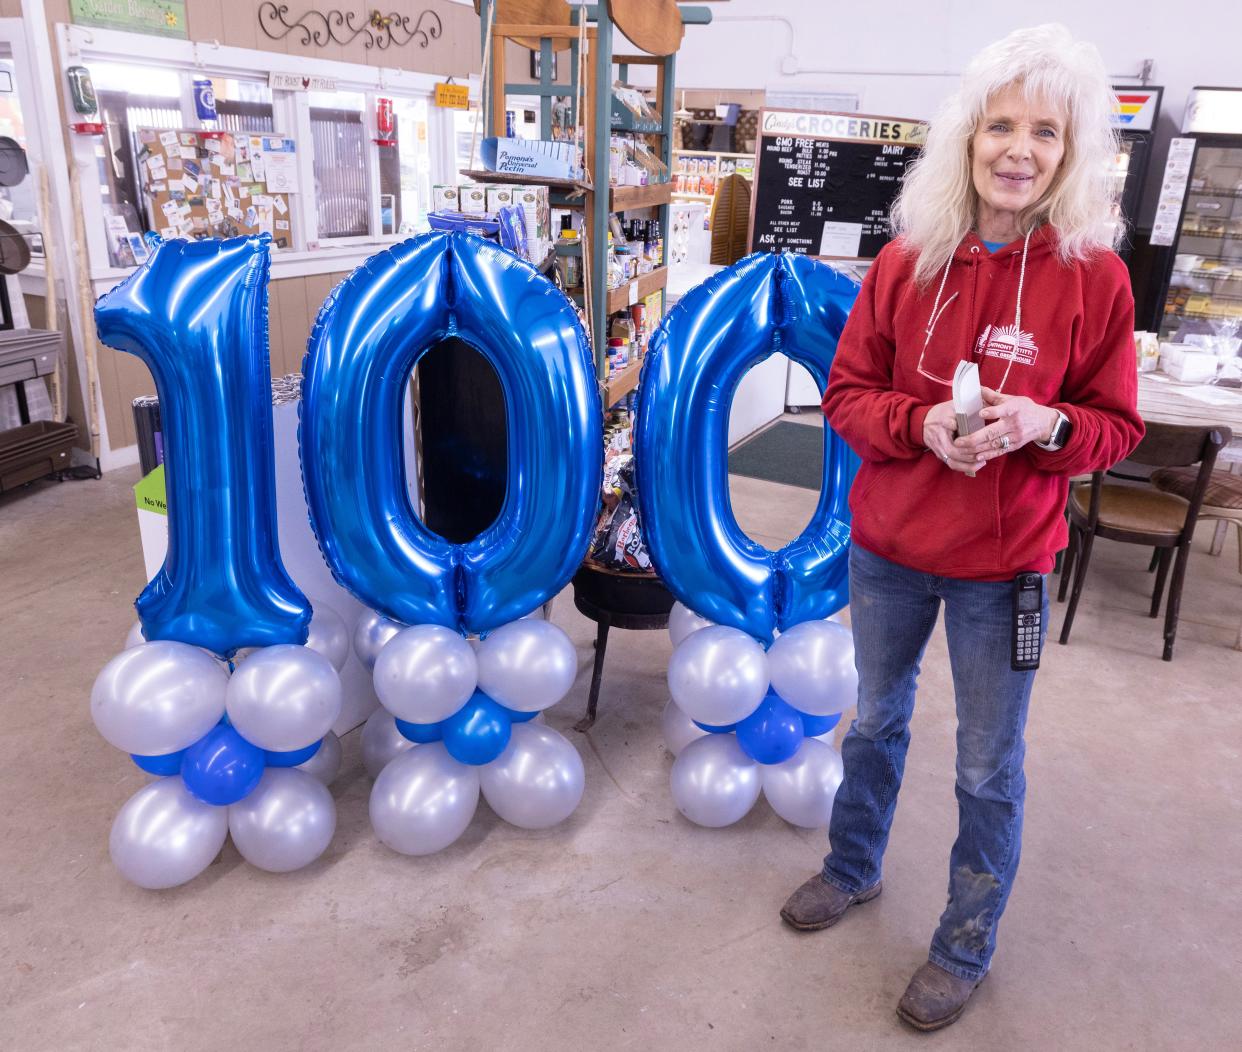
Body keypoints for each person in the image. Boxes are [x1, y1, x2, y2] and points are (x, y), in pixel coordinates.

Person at [780, 24, 1145, 1032]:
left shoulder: (1095, 278)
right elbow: (848, 393)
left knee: (988, 762)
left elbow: (1116, 427)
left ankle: (964, 942)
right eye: (1000, 126)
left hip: (1007, 568)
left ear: (1070, 154)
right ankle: (852, 867)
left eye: (1044, 131)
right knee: (876, 725)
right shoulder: (907, 261)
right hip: (889, 551)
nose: (1018, 148)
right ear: (968, 139)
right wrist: (919, 424)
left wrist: (1050, 422)